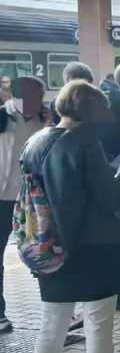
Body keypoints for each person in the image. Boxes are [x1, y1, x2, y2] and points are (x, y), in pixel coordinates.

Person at [22, 79, 120, 353]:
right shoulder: (86, 144)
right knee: (99, 329)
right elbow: (109, 199)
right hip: (93, 250)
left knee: (51, 330)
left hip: (49, 248)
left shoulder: (35, 142)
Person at [61, 62, 120, 311]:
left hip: (116, 173)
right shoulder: (117, 102)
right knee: (119, 234)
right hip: (117, 175)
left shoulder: (115, 98)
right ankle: (118, 289)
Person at [0, 76, 52, 334]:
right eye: (32, 98)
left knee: (41, 250)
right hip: (1, 198)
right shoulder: (2, 117)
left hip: (31, 200)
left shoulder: (43, 119)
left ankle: (57, 306)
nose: (36, 104)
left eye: (39, 99)